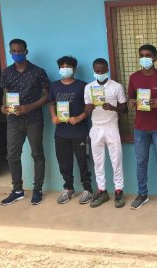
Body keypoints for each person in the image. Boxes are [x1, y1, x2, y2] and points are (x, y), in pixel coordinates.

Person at [0, 39, 50, 206]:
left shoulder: (38, 72)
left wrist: (31, 107)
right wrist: (4, 106)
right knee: (12, 155)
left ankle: (37, 190)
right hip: (13, 120)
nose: (17, 54)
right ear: (10, 52)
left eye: (20, 51)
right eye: (14, 51)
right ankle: (17, 190)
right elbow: (6, 93)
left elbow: (47, 95)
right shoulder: (6, 72)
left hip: (33, 119)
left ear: (26, 51)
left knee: (37, 154)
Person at [128, 44, 157, 210]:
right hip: (140, 127)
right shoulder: (134, 77)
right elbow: (130, 99)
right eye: (141, 55)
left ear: (155, 58)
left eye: (148, 55)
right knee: (141, 162)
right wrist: (132, 102)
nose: (144, 58)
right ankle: (142, 194)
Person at [84, 58, 127, 208]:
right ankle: (102, 190)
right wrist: (88, 109)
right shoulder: (89, 87)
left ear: (107, 69)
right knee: (98, 162)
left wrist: (113, 108)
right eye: (97, 71)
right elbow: (86, 108)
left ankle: (118, 191)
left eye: (103, 70)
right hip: (96, 127)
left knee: (116, 161)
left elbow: (125, 109)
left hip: (111, 127)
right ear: (93, 70)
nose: (100, 73)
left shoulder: (116, 87)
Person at [49, 56, 93, 204]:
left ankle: (88, 190)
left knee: (83, 161)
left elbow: (89, 107)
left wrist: (79, 118)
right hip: (61, 132)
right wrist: (54, 116)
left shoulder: (83, 86)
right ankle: (68, 188)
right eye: (62, 66)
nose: (65, 69)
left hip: (79, 132)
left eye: (68, 66)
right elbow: (51, 103)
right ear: (59, 69)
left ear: (74, 69)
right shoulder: (54, 86)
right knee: (64, 162)